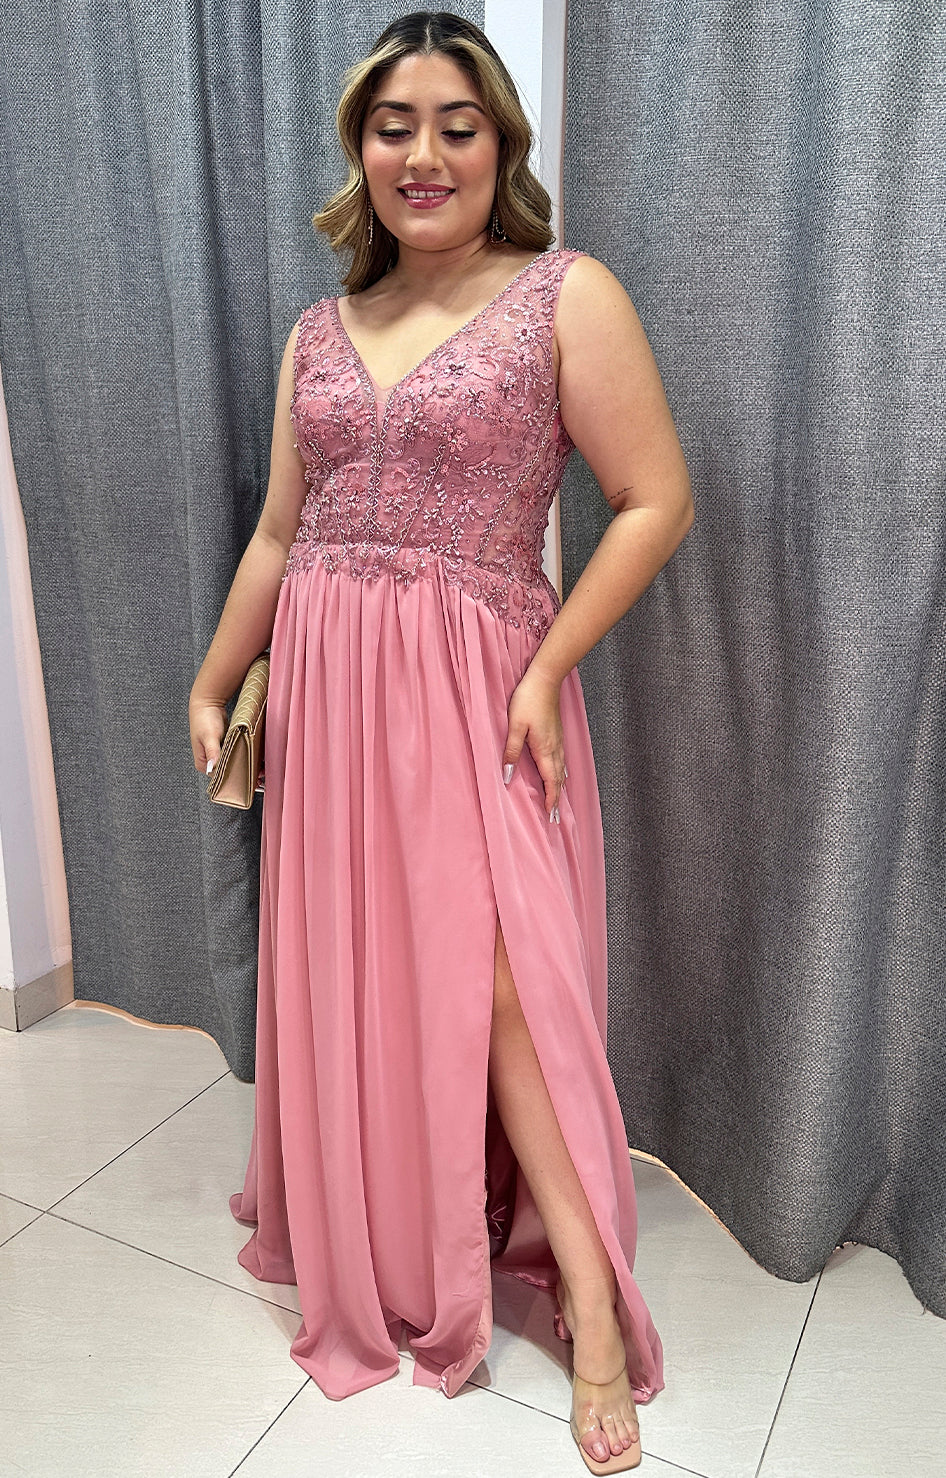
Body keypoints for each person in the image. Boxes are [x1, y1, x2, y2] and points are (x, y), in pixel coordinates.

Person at [189, 11, 692, 1473]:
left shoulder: (563, 294)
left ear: (499, 146)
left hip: (480, 683)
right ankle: (384, 1221)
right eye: (394, 125)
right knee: (370, 964)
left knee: (505, 986)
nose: (424, 153)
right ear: (361, 147)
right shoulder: (316, 330)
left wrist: (549, 666)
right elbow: (280, 531)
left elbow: (654, 497)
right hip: (334, 687)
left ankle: (592, 1306)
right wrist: (215, 679)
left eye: (456, 126)